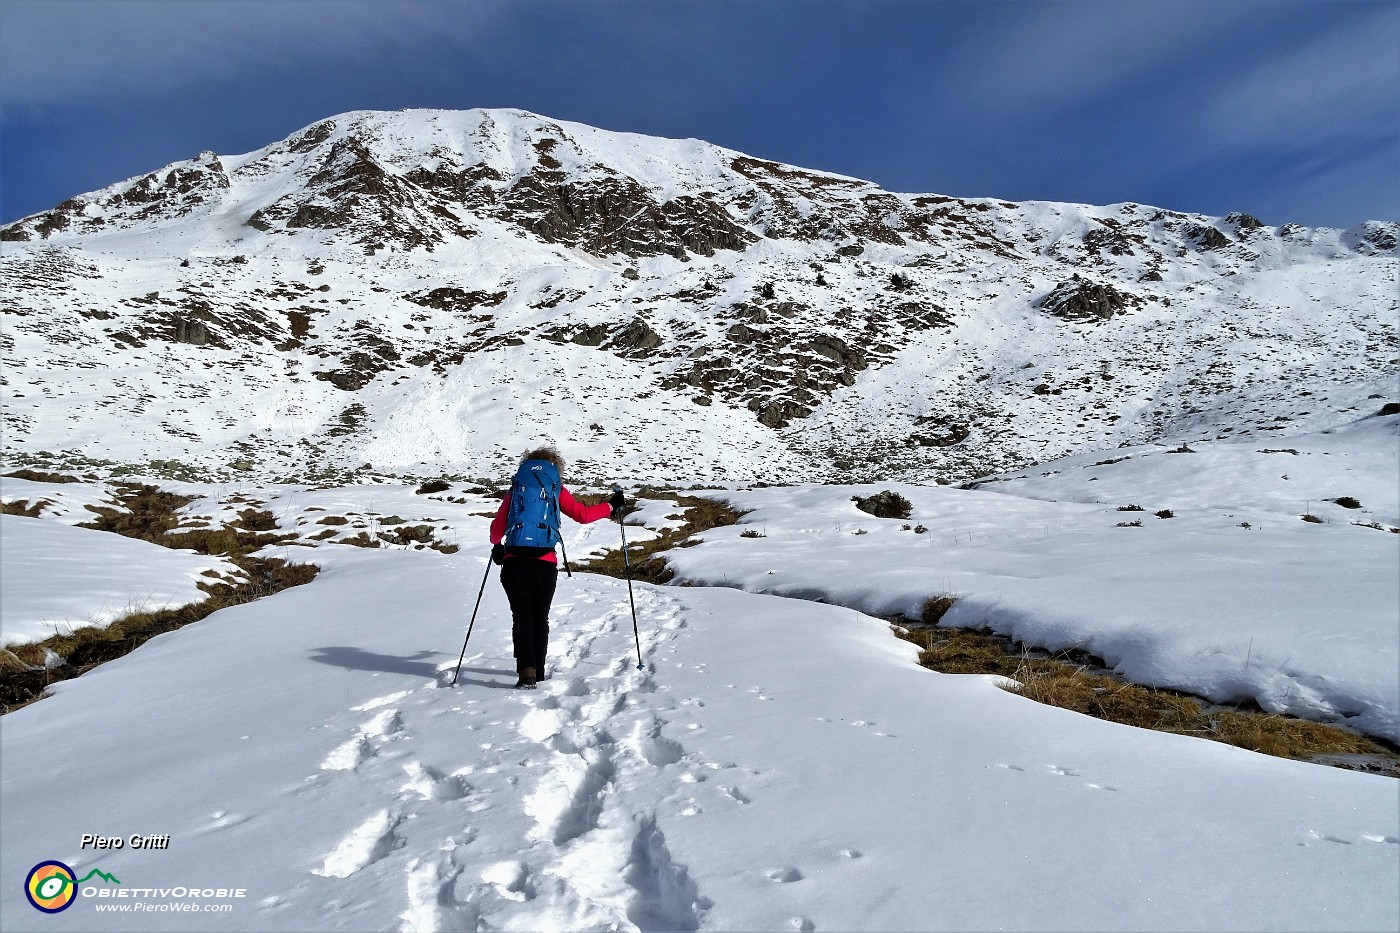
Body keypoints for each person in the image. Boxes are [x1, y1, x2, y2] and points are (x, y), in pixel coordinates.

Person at [488, 446, 625, 688]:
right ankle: (538, 672)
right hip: (545, 565)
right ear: (555, 468)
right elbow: (581, 514)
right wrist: (611, 506)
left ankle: (526, 671)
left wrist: (498, 546)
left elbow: (496, 531)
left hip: (514, 563)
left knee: (522, 617)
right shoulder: (554, 488)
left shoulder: (516, 489)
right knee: (540, 618)